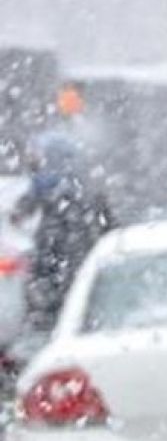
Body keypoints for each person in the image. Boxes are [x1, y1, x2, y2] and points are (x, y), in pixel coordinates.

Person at [13, 129, 115, 333]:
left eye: (39, 156)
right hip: (78, 274)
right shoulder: (84, 187)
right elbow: (109, 226)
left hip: (60, 278)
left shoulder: (52, 190)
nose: (33, 162)